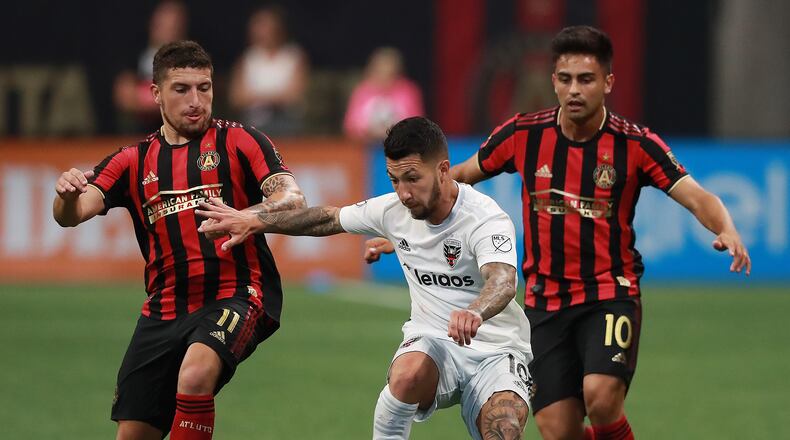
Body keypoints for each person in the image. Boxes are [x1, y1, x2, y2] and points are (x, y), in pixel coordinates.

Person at [440, 26, 751, 440]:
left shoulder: (636, 144)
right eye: (565, 79)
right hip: (544, 302)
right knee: (557, 429)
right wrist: (415, 219)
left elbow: (697, 197)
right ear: (553, 81)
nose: (574, 90)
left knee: (601, 396)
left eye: (586, 79)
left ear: (607, 83)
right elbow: (460, 177)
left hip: (609, 291)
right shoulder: (524, 135)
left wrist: (726, 228)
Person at [196, 116, 533, 440]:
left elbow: (502, 281)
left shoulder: (484, 217)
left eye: (413, 178)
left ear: (443, 170)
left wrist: (474, 311)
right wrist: (257, 222)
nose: (403, 193)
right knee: (407, 374)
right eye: (394, 180)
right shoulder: (393, 211)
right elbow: (326, 219)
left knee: (503, 427)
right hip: (433, 340)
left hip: (496, 347)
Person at [53, 40, 306, 440]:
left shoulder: (240, 141)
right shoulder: (132, 160)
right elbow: (71, 215)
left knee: (196, 372)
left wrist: (249, 216)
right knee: (134, 433)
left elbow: (292, 198)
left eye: (204, 88)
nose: (195, 100)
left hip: (238, 293)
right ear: (156, 93)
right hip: (164, 308)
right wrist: (65, 195)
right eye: (181, 89)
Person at [228, 5, 308, 136]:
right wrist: (276, 96)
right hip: (254, 121)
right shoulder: (246, 59)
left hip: (288, 122)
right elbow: (237, 97)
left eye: (266, 25)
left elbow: (294, 96)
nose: (262, 31)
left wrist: (256, 96)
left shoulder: (294, 56)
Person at [114, 0, 188, 134]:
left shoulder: (190, 58)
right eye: (162, 25)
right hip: (139, 132)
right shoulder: (135, 54)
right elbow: (124, 96)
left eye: (173, 27)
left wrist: (143, 96)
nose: (168, 32)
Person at [343, 47, 425, 143]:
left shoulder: (408, 91)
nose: (385, 78)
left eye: (390, 74)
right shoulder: (362, 91)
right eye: (380, 72)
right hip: (366, 149)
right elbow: (351, 125)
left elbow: (417, 125)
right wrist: (368, 132)